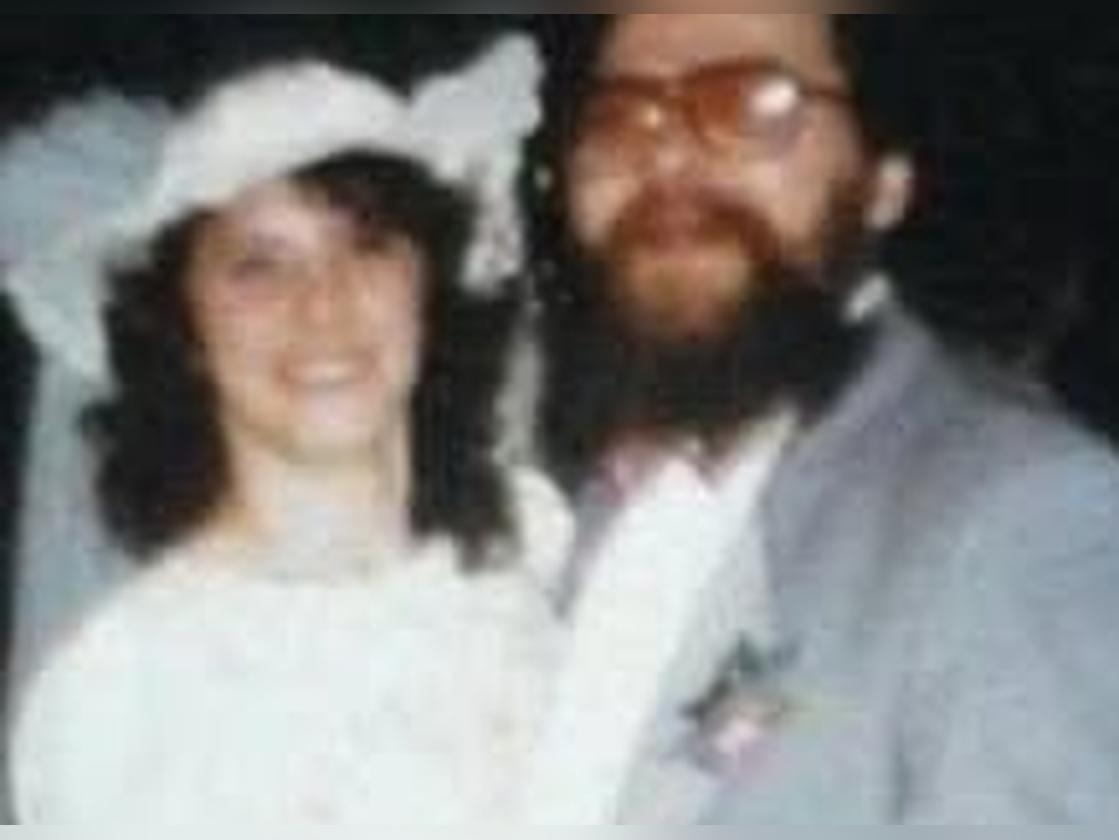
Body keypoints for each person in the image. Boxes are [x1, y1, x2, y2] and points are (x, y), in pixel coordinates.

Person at [536, 14, 1119, 823]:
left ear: (884, 183)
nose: (665, 157)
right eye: (620, 117)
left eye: (751, 105)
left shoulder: (1019, 513)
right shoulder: (595, 501)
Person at [1, 35, 576, 823]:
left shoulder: (544, 565)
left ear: (427, 284)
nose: (323, 304)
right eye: (259, 266)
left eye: (366, 246)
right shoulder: (120, 691)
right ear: (184, 326)